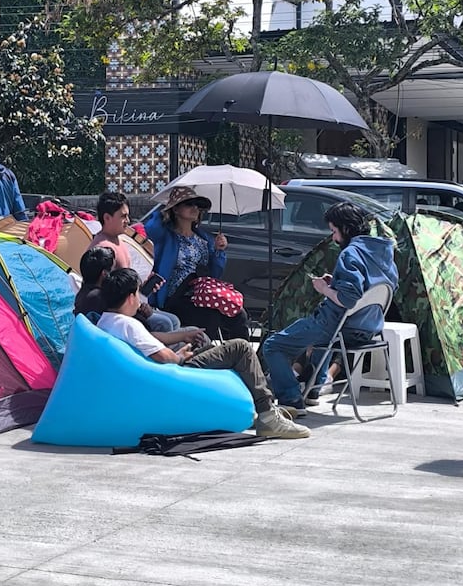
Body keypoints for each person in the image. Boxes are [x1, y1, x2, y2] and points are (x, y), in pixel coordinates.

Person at [96, 268, 310, 440]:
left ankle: (256, 408)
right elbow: (162, 357)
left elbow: (150, 340)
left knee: (206, 344)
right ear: (131, 296)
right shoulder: (129, 325)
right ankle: (267, 414)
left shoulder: (107, 321)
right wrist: (180, 355)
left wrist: (185, 336)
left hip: (157, 372)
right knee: (240, 347)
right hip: (172, 373)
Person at [262, 201, 399, 410]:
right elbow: (372, 290)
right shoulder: (383, 251)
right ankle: (312, 389)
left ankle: (290, 399)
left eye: (334, 231)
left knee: (273, 345)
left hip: (338, 325)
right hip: (368, 328)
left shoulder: (350, 253)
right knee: (322, 340)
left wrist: (324, 289)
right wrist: (335, 282)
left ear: (345, 228)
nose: (334, 238)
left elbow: (348, 299)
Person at [144, 185, 251, 341]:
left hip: (200, 295)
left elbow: (215, 274)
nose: (195, 208)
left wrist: (219, 251)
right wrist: (165, 208)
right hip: (174, 297)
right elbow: (150, 229)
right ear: (175, 209)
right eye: (188, 204)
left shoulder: (204, 239)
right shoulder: (166, 236)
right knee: (210, 315)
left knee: (239, 314)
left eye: (197, 205)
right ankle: (205, 356)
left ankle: (242, 355)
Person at [87, 191, 180, 333]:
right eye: (123, 216)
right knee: (165, 323)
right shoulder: (104, 249)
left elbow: (124, 283)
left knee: (174, 320)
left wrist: (144, 288)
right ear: (107, 217)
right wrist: (139, 308)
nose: (128, 221)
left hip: (132, 302)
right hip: (118, 313)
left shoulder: (118, 240)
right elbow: (109, 295)